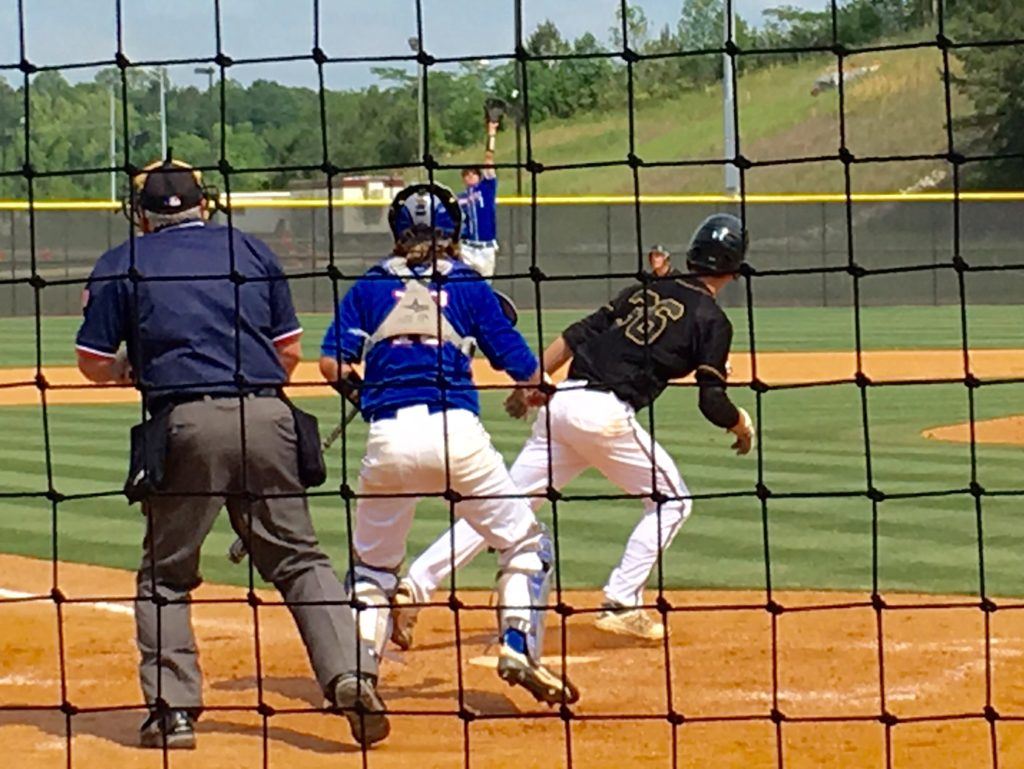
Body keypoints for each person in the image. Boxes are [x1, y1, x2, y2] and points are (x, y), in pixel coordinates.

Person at [75, 158, 377, 749]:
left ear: (141, 216)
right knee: (299, 560)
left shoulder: (123, 263)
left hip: (185, 422)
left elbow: (91, 361)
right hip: (270, 417)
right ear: (204, 204)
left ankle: (174, 713)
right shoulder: (252, 252)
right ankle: (349, 673)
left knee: (165, 575)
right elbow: (288, 353)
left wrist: (128, 368)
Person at [391, 214, 754, 647]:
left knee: (502, 508)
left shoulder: (645, 289)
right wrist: (741, 423)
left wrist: (529, 382)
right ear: (734, 269)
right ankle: (621, 600)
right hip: (603, 415)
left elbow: (576, 334)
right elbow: (711, 401)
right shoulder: (713, 320)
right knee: (672, 502)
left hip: (560, 404)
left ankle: (413, 586)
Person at [319, 182, 579, 721]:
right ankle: (516, 643)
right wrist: (536, 389)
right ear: (454, 230)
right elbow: (524, 366)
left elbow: (332, 365)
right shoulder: (468, 285)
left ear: (396, 230)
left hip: (388, 437)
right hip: (457, 436)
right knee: (525, 544)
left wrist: (365, 396)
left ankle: (362, 670)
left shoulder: (368, 286)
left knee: (373, 569)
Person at [457, 117, 500, 277]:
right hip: (467, 247)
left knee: (485, 287)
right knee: (465, 285)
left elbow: (488, 160)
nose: (470, 177)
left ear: (479, 176)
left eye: (473, 173)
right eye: (466, 174)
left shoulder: (486, 188)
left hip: (486, 247)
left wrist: (491, 134)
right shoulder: (459, 198)